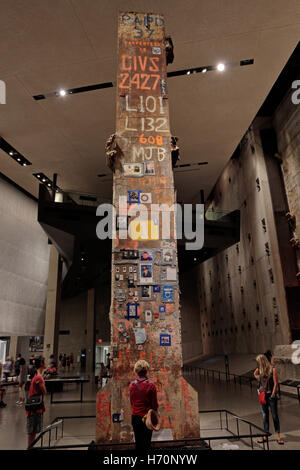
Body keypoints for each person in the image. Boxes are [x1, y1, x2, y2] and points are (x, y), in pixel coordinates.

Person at [129, 360, 158, 453]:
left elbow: (132, 402)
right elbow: (154, 405)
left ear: (136, 371)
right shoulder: (151, 385)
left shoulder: (132, 385)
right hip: (147, 418)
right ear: (147, 371)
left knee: (138, 443)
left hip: (135, 417)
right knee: (147, 443)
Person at [254, 354, 284, 445]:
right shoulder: (259, 370)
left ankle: (278, 436)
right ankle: (265, 435)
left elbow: (275, 383)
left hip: (271, 396)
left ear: (262, 361)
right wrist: (258, 377)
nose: (258, 364)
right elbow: (255, 374)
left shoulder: (272, 369)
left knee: (274, 416)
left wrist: (273, 394)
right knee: (264, 416)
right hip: (263, 395)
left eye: (258, 362)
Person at [26, 356, 47, 448]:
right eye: (44, 362)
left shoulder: (36, 375)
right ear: (42, 363)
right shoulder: (39, 377)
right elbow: (44, 391)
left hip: (34, 406)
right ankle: (29, 447)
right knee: (32, 430)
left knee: (33, 430)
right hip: (34, 407)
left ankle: (30, 446)